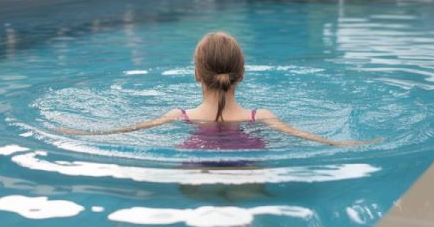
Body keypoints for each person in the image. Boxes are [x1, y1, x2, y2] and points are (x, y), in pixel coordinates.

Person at [59, 31, 378, 147]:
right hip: (248, 166)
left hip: (196, 164)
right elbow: (311, 138)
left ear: (197, 74)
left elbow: (127, 130)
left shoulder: (179, 116)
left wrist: (86, 134)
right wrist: (348, 144)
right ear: (241, 74)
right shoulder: (260, 117)